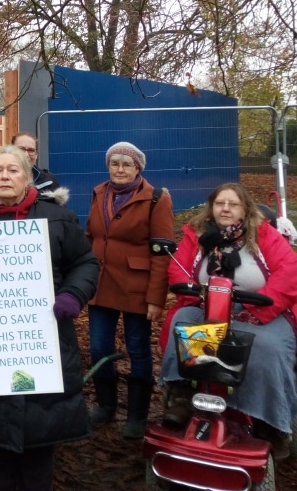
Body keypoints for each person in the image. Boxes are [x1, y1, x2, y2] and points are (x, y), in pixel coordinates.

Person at [0, 145, 99, 491]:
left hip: (45, 342)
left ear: (28, 177)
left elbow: (85, 263)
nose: (5, 177)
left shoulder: (55, 217)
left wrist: (73, 295)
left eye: (13, 170)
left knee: (39, 446)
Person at [158, 182, 297, 459]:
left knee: (265, 347)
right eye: (220, 203)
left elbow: (290, 274)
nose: (226, 209)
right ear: (211, 206)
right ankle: (183, 395)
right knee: (184, 325)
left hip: (260, 309)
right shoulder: (196, 235)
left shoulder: (265, 236)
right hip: (207, 304)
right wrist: (193, 293)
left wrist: (254, 306)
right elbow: (179, 269)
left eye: (233, 204)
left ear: (244, 209)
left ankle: (268, 421)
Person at [85, 141, 173, 439]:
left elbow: (162, 252)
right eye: (114, 163)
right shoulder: (99, 193)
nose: (120, 169)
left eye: (127, 164)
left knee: (138, 350)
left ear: (138, 168)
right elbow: (89, 236)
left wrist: (155, 298)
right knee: (98, 348)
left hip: (137, 286)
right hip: (101, 284)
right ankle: (106, 405)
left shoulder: (155, 199)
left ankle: (136, 415)